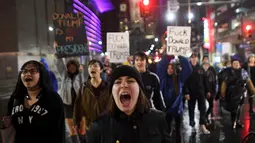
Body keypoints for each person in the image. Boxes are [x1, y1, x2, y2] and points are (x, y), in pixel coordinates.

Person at [85, 65, 172, 143]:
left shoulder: (158, 119)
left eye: (130, 81)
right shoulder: (98, 127)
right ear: (112, 92)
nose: (124, 85)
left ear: (139, 89)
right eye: (118, 82)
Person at [3, 60, 65, 143]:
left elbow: (59, 131)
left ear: (41, 75)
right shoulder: (15, 98)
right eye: (24, 71)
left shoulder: (53, 99)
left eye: (33, 71)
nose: (27, 74)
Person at [73, 60, 110, 141]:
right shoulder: (84, 87)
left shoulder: (108, 87)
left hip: (106, 125)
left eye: (95, 66)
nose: (92, 68)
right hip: (90, 125)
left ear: (101, 70)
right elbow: (78, 105)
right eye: (90, 66)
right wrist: (76, 122)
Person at [159, 55, 192, 143]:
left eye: (172, 68)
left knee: (178, 131)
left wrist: (180, 55)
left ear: (174, 69)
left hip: (177, 109)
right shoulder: (162, 78)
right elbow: (160, 65)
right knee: (167, 131)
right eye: (168, 68)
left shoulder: (179, 78)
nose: (170, 70)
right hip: (166, 109)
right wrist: (169, 56)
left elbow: (188, 69)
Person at [221, 58, 255, 129]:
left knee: (239, 107)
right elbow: (224, 83)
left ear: (239, 64)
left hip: (241, 92)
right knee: (234, 108)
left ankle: (237, 121)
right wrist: (223, 92)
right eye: (234, 63)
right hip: (231, 93)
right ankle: (233, 122)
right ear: (232, 64)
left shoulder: (243, 71)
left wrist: (252, 90)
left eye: (237, 63)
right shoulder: (228, 72)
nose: (236, 65)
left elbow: (248, 81)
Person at [57, 59, 84, 143]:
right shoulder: (64, 75)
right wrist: (58, 53)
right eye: (69, 67)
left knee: (82, 129)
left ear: (76, 67)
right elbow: (59, 65)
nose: (71, 68)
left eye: (73, 67)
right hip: (67, 105)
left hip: (79, 106)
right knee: (72, 129)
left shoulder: (80, 76)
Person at [183, 53, 210, 134]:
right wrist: (186, 92)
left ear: (197, 59)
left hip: (201, 92)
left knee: (203, 109)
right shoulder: (187, 69)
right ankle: (192, 122)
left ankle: (202, 125)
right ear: (190, 59)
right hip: (191, 93)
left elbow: (205, 80)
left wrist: (208, 90)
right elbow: (185, 82)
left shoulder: (201, 68)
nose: (194, 59)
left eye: (195, 57)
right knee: (191, 108)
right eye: (192, 57)